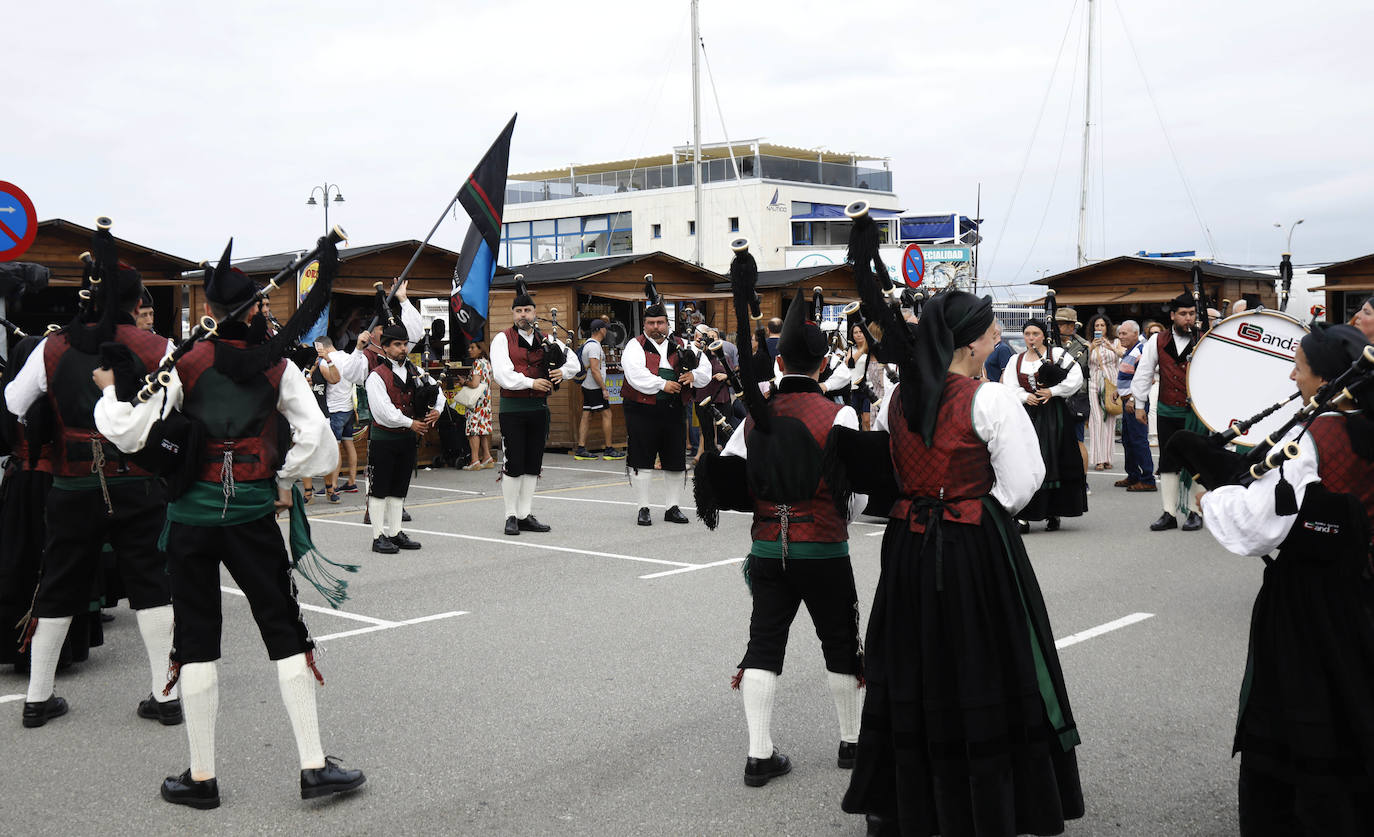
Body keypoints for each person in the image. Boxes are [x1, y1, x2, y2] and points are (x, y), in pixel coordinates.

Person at [92, 246, 364, 808]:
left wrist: (107, 395)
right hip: (250, 517)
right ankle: (313, 766)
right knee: (282, 630)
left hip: (190, 518)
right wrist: (282, 477)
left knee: (196, 641)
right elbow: (316, 442)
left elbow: (128, 430)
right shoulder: (278, 366)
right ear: (256, 310)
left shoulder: (182, 362)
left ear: (212, 309)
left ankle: (201, 777)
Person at [842, 291, 1083, 836]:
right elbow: (1022, 484)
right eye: (994, 330)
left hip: (908, 546)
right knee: (982, 660)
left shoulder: (896, 399)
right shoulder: (991, 399)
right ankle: (987, 805)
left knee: (916, 658)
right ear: (971, 342)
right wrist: (972, 505)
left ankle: (913, 799)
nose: (1000, 337)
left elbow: (892, 467)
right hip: (972, 546)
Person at [1192, 325, 1374, 835]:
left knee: (1309, 706)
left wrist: (1212, 499)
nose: (1293, 374)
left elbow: (1258, 527)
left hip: (1314, 601)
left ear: (1324, 376)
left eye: (1299, 365)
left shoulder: (1315, 438)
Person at [4, 260, 180, 729]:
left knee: (58, 582)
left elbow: (15, 404)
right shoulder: (161, 347)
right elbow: (176, 408)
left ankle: (38, 698)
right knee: (152, 584)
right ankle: (166, 696)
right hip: (140, 481)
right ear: (137, 301)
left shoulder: (51, 347)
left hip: (72, 481)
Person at [704, 290, 866, 789]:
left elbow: (730, 478)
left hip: (768, 548)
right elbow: (855, 497)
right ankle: (851, 745)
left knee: (764, 645)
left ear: (778, 361)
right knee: (840, 644)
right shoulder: (839, 416)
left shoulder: (754, 417)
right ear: (824, 365)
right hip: (824, 548)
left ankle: (758, 756)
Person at [490, 284, 579, 536]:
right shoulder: (502, 339)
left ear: (534, 312)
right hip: (513, 409)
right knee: (513, 463)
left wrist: (563, 372)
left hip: (539, 409)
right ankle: (510, 516)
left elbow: (574, 360)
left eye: (527, 310)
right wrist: (530, 382)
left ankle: (525, 514)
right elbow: (503, 375)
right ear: (512, 314)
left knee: (532, 464)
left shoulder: (547, 339)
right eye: (518, 310)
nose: (523, 315)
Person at [621, 294, 712, 526]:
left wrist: (693, 375)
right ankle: (643, 507)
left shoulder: (684, 344)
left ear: (667, 324)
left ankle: (672, 507)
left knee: (674, 459)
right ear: (644, 325)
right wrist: (662, 384)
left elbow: (705, 369)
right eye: (651, 324)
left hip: (673, 409)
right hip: (641, 409)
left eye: (660, 323)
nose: (655, 327)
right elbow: (635, 375)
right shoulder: (635, 345)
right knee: (642, 458)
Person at [1002, 318, 1088, 532]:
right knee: (1025, 461)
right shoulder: (1016, 360)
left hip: (1053, 415)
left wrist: (1053, 391)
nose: (1031, 338)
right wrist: (1024, 396)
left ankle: (1053, 511)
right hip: (1026, 415)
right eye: (1028, 334)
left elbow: (1076, 377)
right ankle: (1023, 515)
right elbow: (1009, 385)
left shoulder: (1057, 354)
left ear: (1043, 335)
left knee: (1053, 459)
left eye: (1035, 334)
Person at [1130, 292, 1206, 532]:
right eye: (1183, 314)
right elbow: (1144, 372)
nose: (1188, 319)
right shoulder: (1157, 341)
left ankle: (1196, 512)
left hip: (1197, 412)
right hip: (1167, 409)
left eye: (1192, 314)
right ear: (1173, 316)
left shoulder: (1205, 339)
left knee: (1197, 461)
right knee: (1168, 461)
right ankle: (1169, 513)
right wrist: (1139, 405)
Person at [364, 321, 443, 553]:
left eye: (405, 344)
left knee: (399, 488)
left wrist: (437, 408)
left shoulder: (415, 371)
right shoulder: (376, 376)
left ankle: (395, 532)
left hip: (407, 438)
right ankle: (378, 536)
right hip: (383, 439)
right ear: (386, 347)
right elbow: (383, 411)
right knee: (380, 488)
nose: (403, 349)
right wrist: (411, 423)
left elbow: (436, 391)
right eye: (397, 345)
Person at [1113, 320, 1156, 491]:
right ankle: (1133, 476)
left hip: (1135, 403)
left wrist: (1132, 399)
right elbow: (1130, 376)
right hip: (1128, 401)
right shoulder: (1130, 351)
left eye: (1124, 333)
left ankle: (1147, 479)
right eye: (1120, 333)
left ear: (1135, 334)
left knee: (1138, 441)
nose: (1120, 336)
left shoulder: (1141, 351)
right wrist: (1119, 391)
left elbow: (1147, 378)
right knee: (1128, 441)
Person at [573, 319, 624, 461]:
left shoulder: (588, 344)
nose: (606, 331)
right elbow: (595, 370)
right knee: (607, 414)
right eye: (605, 328)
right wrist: (604, 388)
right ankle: (609, 449)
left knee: (586, 415)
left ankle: (581, 448)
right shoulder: (594, 347)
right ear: (601, 330)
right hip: (594, 386)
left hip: (587, 385)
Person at [315, 336, 359, 495]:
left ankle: (332, 486)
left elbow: (328, 380)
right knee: (349, 444)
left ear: (321, 347)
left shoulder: (325, 360)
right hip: (348, 407)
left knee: (335, 448)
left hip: (334, 408)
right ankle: (352, 482)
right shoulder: (347, 357)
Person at [1052, 307, 1092, 471]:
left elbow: (1080, 374)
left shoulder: (1082, 346)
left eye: (1061, 324)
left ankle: (1082, 480)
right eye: (1057, 324)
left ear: (1071, 326)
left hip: (1074, 398)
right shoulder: (1049, 342)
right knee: (1053, 440)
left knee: (1077, 441)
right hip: (1052, 397)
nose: (1058, 328)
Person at [1085, 313, 1122, 470]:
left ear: (1107, 327)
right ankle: (1098, 458)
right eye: (1096, 326)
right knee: (1096, 420)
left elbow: (1122, 356)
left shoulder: (1116, 341)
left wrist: (1110, 347)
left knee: (1110, 418)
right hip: (1094, 382)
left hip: (1111, 383)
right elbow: (1085, 364)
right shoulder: (1088, 344)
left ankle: (1107, 458)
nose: (1099, 328)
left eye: (1102, 325)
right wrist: (1092, 347)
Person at [461, 341, 495, 471]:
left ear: (480, 350)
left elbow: (475, 383)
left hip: (476, 401)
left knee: (473, 430)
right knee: (483, 430)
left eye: (472, 347)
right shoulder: (487, 363)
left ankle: (474, 460)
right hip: (485, 401)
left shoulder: (477, 363)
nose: (470, 350)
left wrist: (465, 382)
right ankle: (487, 457)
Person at [983, 318, 1015, 383]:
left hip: (996, 389)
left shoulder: (1003, 349)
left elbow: (1005, 373)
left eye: (988, 331)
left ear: (995, 333)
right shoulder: (992, 348)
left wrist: (999, 388)